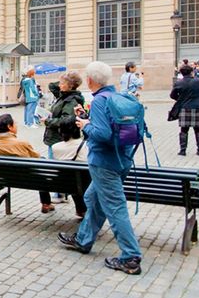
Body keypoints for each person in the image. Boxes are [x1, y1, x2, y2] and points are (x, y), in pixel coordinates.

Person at [58, 61, 143, 275]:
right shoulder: (117, 97)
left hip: (103, 162)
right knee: (94, 199)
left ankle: (131, 256)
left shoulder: (98, 101)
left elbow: (103, 134)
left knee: (115, 207)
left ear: (90, 80)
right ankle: (83, 240)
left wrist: (86, 125)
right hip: (121, 158)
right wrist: (88, 120)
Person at [0, 113, 54, 213]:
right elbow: (37, 158)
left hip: (4, 178)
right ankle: (46, 203)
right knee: (42, 167)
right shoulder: (22, 143)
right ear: (9, 127)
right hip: (28, 178)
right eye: (15, 123)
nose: (17, 125)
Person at [170, 64, 199, 156]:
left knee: (184, 130)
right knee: (198, 129)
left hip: (185, 107)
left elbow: (172, 95)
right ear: (191, 72)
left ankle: (183, 150)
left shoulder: (178, 83)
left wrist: (180, 99)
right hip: (197, 107)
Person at [49, 120, 88, 218]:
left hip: (63, 183)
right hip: (84, 184)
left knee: (73, 178)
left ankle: (81, 210)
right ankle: (82, 210)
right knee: (79, 178)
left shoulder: (55, 147)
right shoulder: (86, 145)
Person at [43, 72, 86, 155]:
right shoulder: (63, 95)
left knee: (54, 164)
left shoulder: (70, 100)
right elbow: (51, 86)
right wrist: (65, 77)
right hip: (55, 138)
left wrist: (47, 121)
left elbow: (65, 121)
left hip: (59, 139)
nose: (59, 85)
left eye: (62, 83)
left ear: (70, 86)